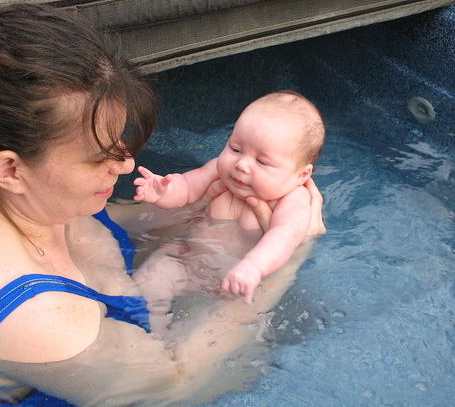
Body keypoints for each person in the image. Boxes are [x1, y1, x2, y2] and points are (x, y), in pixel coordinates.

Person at [0, 4, 325, 406]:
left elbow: (102, 226)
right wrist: (285, 262)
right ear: (11, 169)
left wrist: (204, 210)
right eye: (100, 155)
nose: (127, 164)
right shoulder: (34, 317)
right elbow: (176, 385)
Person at [132, 92, 325, 332]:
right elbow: (188, 186)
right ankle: (148, 333)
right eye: (235, 148)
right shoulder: (220, 172)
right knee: (147, 282)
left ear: (301, 175)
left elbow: (285, 235)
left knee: (213, 328)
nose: (241, 164)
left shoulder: (293, 199)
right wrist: (164, 192)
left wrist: (253, 267)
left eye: (262, 162)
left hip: (238, 284)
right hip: (186, 262)